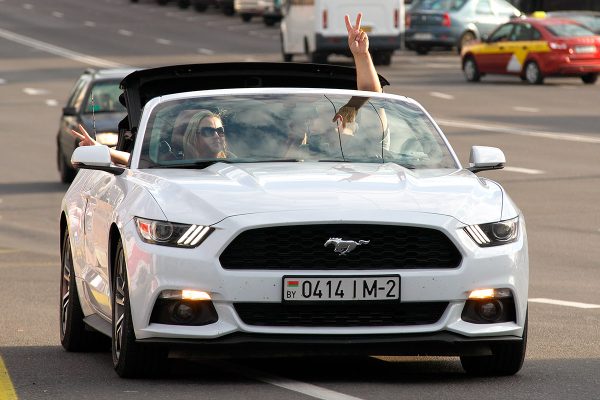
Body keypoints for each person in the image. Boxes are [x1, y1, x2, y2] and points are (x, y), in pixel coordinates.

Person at [70, 12, 382, 165]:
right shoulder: (239, 154)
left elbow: (368, 97)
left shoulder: (329, 140)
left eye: (297, 118)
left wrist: (361, 55)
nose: (293, 125)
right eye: (287, 119)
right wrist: (106, 154)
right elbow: (145, 168)